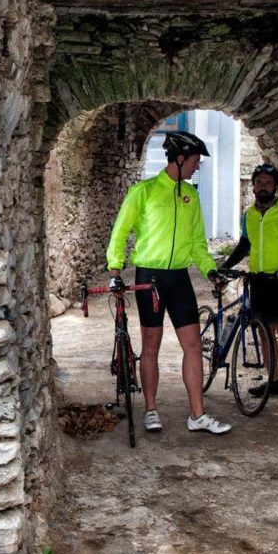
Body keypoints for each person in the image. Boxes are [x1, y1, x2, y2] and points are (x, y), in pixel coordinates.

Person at [106, 130, 232, 435]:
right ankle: (151, 409)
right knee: (152, 345)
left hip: (178, 278)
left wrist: (210, 271)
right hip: (149, 276)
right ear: (180, 158)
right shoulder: (144, 191)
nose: (197, 166)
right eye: (195, 160)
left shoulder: (192, 197)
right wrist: (114, 269)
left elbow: (197, 245)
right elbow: (120, 232)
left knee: (191, 345)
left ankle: (197, 415)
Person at [220, 163, 278, 403]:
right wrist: (225, 267)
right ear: (254, 187)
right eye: (259, 183)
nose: (263, 187)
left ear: (276, 186)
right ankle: (273, 382)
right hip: (258, 281)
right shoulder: (249, 215)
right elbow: (244, 246)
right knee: (264, 332)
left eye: (268, 183)